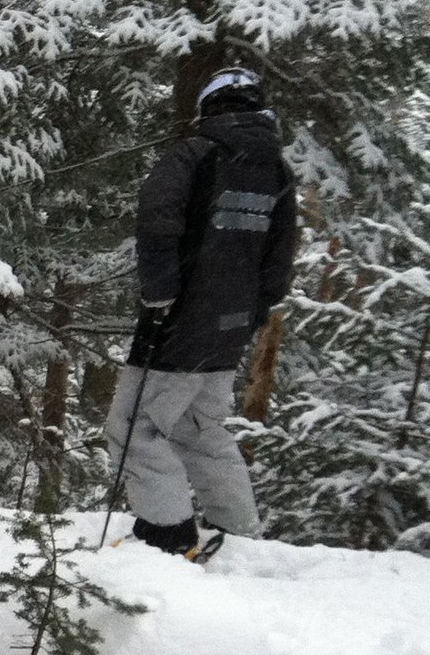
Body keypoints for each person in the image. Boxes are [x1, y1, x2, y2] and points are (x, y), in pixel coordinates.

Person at [106, 65, 298, 556]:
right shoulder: (276, 170)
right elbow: (280, 254)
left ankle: (168, 534)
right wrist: (253, 312)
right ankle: (238, 534)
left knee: (133, 430)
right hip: (230, 326)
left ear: (208, 106)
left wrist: (159, 297)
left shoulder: (194, 154)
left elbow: (157, 222)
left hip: (180, 321)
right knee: (200, 427)